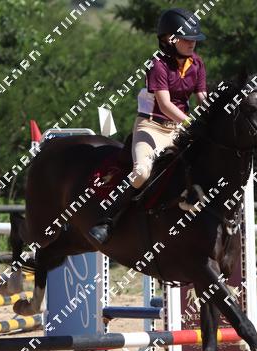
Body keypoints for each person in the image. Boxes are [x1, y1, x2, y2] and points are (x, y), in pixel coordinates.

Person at [89, 7, 208, 244]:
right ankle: (107, 221)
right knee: (141, 173)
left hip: (179, 130)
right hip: (151, 127)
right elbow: (164, 104)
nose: (192, 43)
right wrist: (191, 123)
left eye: (194, 39)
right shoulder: (158, 65)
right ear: (168, 39)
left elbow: (203, 97)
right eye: (186, 38)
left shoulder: (196, 63)